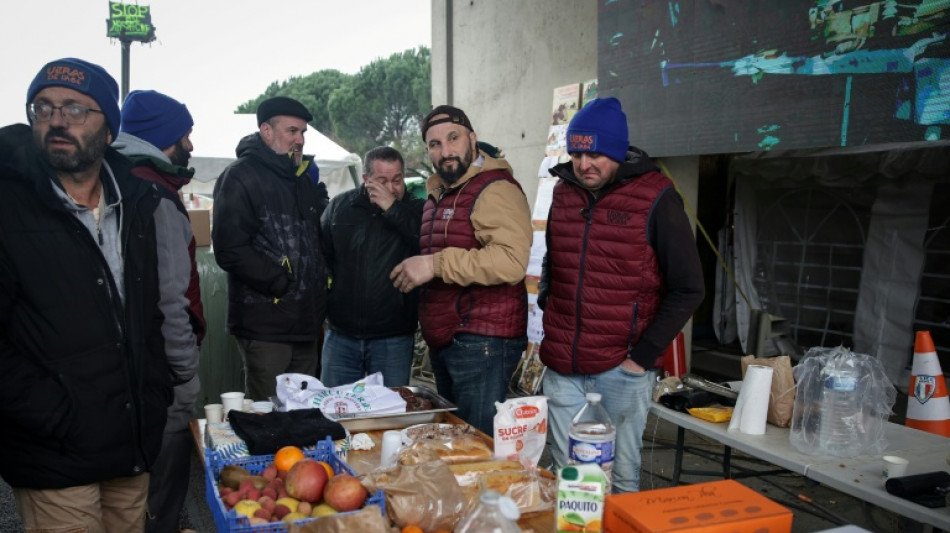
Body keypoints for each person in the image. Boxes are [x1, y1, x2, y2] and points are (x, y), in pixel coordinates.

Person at [0, 58, 176, 531]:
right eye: (43, 108)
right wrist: (54, 415)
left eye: (76, 109)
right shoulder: (9, 204)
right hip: (55, 452)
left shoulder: (135, 201)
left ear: (109, 129)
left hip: (129, 441)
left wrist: (155, 394)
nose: (57, 121)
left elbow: (147, 315)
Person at [538, 97, 705, 493]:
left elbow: (689, 288)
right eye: (577, 153)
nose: (583, 165)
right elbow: (553, 258)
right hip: (563, 365)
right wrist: (549, 304)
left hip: (622, 368)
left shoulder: (656, 197)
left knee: (620, 478)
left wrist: (641, 358)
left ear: (616, 150)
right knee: (570, 476)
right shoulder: (564, 192)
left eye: (594, 154)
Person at [391, 105, 532, 434]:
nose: (446, 151)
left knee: (474, 444)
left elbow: (511, 261)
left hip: (483, 342)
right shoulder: (441, 190)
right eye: (435, 144)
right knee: (455, 440)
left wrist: (434, 264)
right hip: (450, 338)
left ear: (472, 138)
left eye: (453, 138)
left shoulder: (495, 188)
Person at [115, 89, 205, 533]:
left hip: (123, 365)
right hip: (161, 368)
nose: (190, 144)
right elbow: (171, 298)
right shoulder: (157, 196)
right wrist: (185, 374)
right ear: (164, 137)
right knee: (164, 475)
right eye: (185, 135)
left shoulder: (114, 179)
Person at [213, 96, 328, 403]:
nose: (300, 139)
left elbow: (312, 244)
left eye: (303, 132)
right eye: (292, 131)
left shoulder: (300, 179)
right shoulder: (240, 176)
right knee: (269, 414)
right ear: (266, 131)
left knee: (304, 411)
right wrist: (280, 282)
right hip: (266, 326)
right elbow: (229, 248)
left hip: (306, 323)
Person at [320, 146, 425, 387]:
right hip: (341, 335)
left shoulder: (416, 209)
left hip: (393, 336)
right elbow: (322, 258)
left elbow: (427, 243)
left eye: (397, 180)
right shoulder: (340, 207)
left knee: (391, 406)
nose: (391, 188)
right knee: (334, 405)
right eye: (382, 181)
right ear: (366, 179)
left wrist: (393, 209)